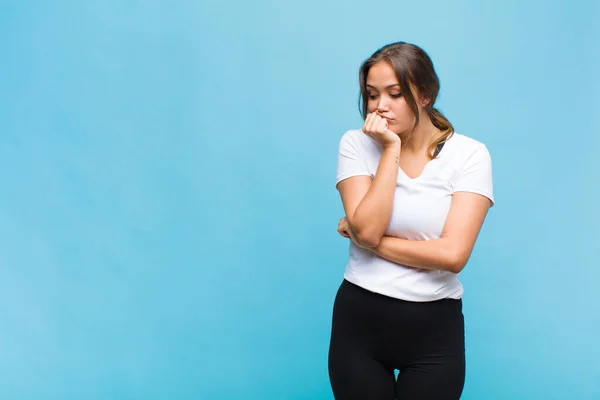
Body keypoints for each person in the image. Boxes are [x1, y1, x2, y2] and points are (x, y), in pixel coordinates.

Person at [328, 41, 494, 399]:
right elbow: (369, 228)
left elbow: (453, 256)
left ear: (425, 94)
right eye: (372, 95)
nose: (380, 106)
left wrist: (364, 239)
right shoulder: (356, 144)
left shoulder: (470, 155)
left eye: (394, 94)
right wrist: (391, 149)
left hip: (435, 332)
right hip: (359, 324)